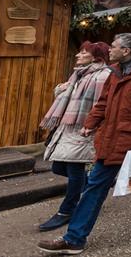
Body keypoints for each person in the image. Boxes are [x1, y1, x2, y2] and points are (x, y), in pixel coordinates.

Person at [38, 33, 131, 254]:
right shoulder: (116, 71)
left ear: (126, 51)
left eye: (114, 47)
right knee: (95, 186)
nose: (109, 49)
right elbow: (104, 101)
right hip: (112, 138)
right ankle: (74, 239)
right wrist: (91, 122)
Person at [38, 41, 112, 232]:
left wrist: (92, 127)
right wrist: (60, 90)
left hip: (84, 129)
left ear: (96, 57)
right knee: (58, 167)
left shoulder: (102, 77)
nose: (78, 55)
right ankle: (95, 186)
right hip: (67, 127)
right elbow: (69, 99)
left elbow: (100, 106)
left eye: (83, 52)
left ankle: (67, 210)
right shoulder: (80, 74)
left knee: (74, 169)